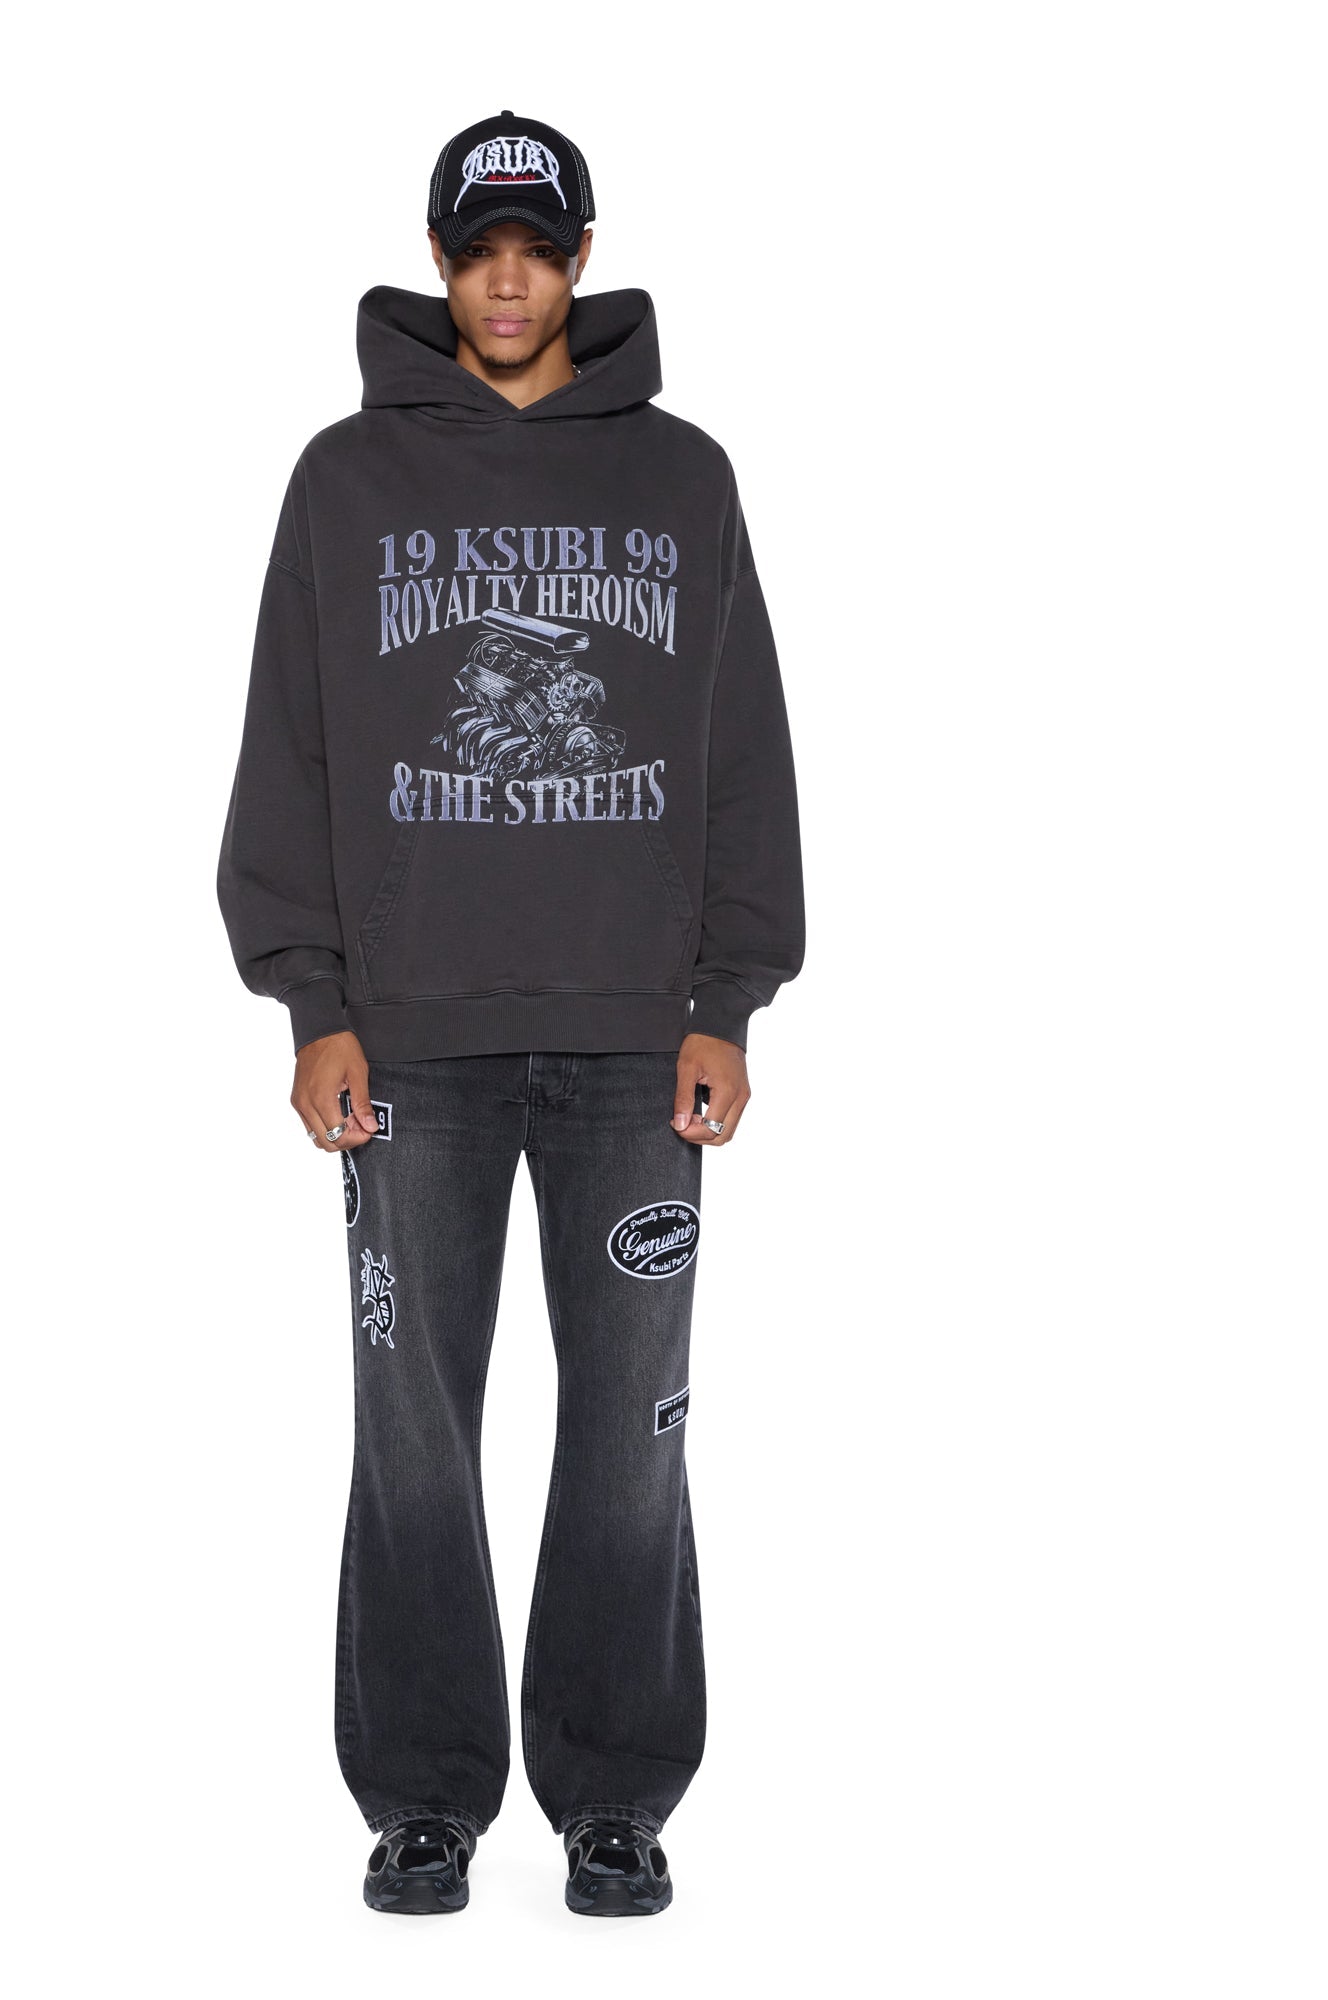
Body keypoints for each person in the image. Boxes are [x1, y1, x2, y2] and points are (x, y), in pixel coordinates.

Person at [217, 109, 805, 1917]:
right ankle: (422, 1797)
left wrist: (730, 998)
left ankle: (614, 1795)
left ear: (582, 260)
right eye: (480, 252)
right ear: (440, 261)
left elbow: (741, 750)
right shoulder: (344, 480)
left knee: (634, 1427)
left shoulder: (685, 479)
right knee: (411, 1430)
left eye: (538, 252)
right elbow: (293, 749)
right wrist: (312, 1002)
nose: (508, 284)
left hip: (638, 1041)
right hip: (409, 1042)